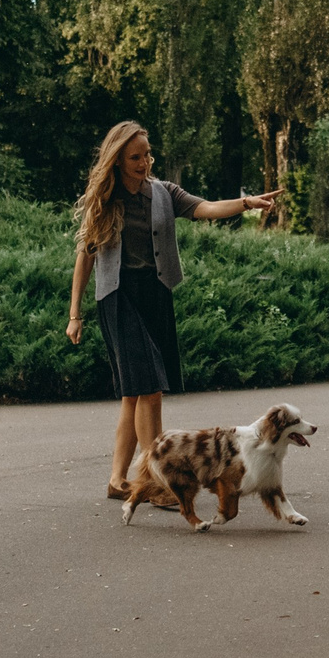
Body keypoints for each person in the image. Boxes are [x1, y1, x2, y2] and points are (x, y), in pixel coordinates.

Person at [67, 121, 278, 500]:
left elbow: (206, 208)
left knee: (136, 394)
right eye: (135, 157)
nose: (144, 162)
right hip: (117, 296)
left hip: (155, 294)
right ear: (117, 160)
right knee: (148, 390)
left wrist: (245, 203)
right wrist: (74, 314)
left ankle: (118, 481)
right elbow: (85, 257)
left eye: (147, 154)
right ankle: (159, 481)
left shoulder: (163, 193)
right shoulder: (105, 199)